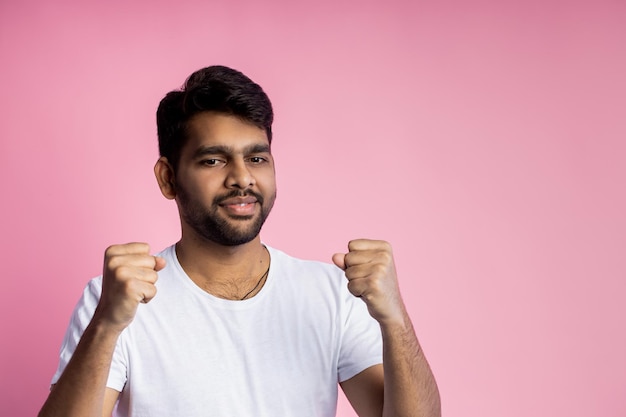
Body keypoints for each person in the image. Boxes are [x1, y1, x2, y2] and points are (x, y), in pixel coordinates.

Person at [39, 65, 441, 417]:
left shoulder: (333, 295)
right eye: (213, 160)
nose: (243, 178)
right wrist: (107, 326)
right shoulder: (115, 302)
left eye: (257, 158)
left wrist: (394, 318)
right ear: (168, 178)